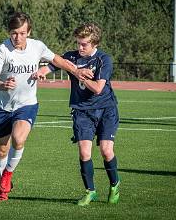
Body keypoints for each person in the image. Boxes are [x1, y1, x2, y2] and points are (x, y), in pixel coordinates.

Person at [0, 12, 91, 201]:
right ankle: (3, 184)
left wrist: (76, 71)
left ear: (29, 32)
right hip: (3, 106)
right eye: (14, 33)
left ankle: (7, 176)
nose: (18, 37)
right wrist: (2, 85)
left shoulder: (37, 46)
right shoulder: (2, 50)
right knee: (1, 150)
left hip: (27, 105)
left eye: (22, 33)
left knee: (18, 139)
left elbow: (57, 60)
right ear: (9, 32)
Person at [34, 22, 120, 205]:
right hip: (81, 111)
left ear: (94, 43)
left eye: (84, 44)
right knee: (84, 152)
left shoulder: (104, 60)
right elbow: (52, 66)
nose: (80, 47)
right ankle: (90, 191)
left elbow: (98, 88)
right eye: (78, 43)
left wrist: (80, 75)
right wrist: (42, 71)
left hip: (106, 109)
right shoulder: (71, 57)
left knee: (106, 150)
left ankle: (114, 183)